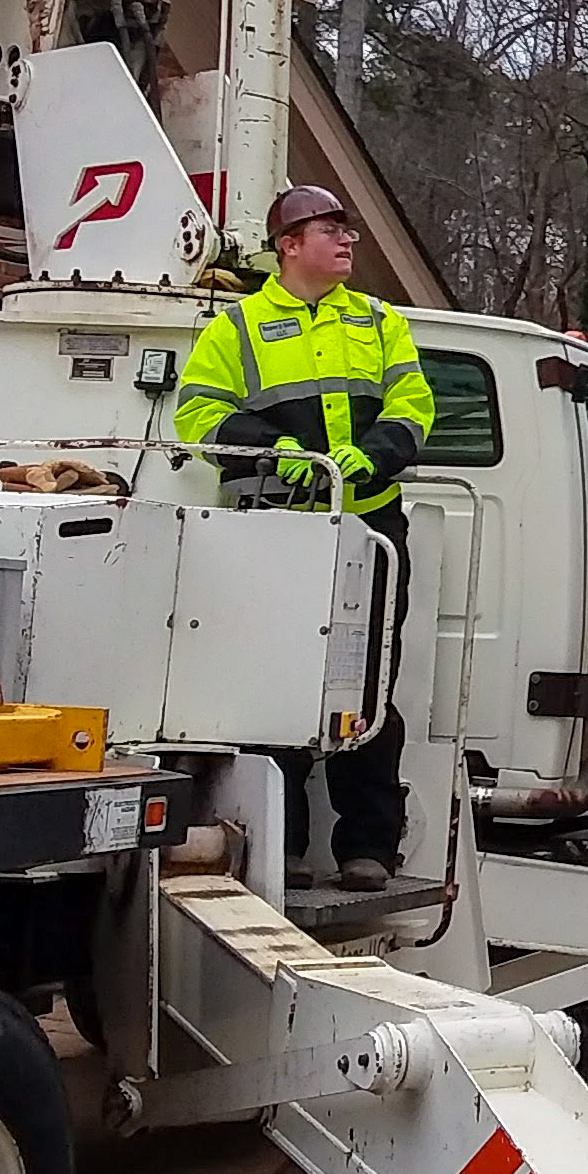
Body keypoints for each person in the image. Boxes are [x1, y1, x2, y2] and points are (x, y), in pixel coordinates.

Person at [175, 185, 437, 887]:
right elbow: (195, 415)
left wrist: (372, 455)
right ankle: (280, 844)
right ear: (289, 245)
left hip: (370, 524)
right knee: (273, 679)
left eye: (348, 230)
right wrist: (272, 449)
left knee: (368, 683)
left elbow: (416, 409)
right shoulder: (238, 328)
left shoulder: (380, 323)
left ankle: (369, 848)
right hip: (276, 531)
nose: (348, 240)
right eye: (330, 230)